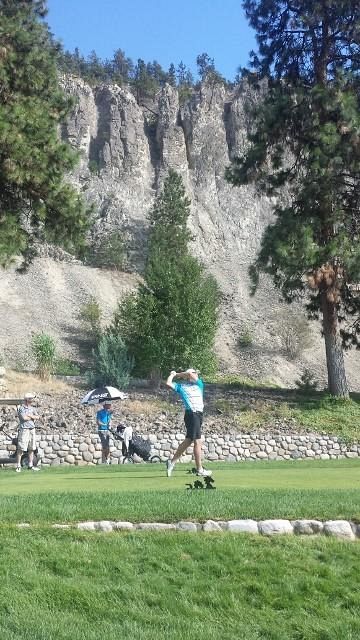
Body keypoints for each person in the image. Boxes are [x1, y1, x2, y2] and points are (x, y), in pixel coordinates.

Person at [165, 368, 211, 477]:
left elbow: (191, 374)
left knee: (188, 441)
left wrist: (178, 374)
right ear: (188, 376)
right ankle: (200, 470)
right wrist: (173, 374)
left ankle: (171, 463)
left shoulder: (199, 384)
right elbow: (168, 383)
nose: (196, 375)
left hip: (199, 415)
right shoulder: (182, 387)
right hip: (192, 414)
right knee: (197, 442)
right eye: (194, 373)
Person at [16, 392, 40, 472]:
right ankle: (18, 466)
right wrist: (32, 417)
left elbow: (38, 417)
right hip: (24, 430)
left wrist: (30, 416)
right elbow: (24, 418)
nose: (32, 400)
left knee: (31, 448)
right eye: (31, 398)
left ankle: (30, 465)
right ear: (27, 399)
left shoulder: (32, 408)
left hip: (32, 429)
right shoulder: (21, 408)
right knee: (21, 448)